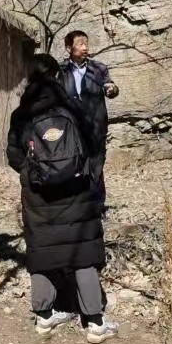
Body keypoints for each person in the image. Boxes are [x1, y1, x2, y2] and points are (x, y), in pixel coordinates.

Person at [7, 53, 118, 344]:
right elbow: (94, 144)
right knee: (83, 251)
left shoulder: (21, 114)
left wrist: (32, 172)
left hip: (38, 194)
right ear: (58, 76)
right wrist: (88, 173)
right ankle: (95, 322)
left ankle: (44, 317)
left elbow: (13, 155)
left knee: (42, 250)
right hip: (77, 190)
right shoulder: (73, 107)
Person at [59, 30, 118, 211]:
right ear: (69, 48)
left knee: (96, 165)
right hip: (71, 127)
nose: (85, 48)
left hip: (95, 126)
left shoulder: (98, 69)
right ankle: (76, 206)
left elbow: (110, 86)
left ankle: (96, 206)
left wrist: (112, 89)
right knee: (72, 165)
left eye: (86, 43)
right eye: (80, 44)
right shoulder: (61, 71)